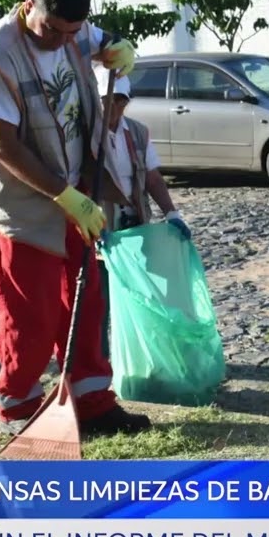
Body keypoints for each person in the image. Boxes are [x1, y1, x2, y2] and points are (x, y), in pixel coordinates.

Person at [0, 0, 152, 438]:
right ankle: (20, 407)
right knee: (33, 309)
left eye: (71, 33)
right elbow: (2, 146)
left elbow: (109, 46)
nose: (60, 41)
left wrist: (122, 61)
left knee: (87, 298)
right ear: (30, 7)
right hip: (20, 205)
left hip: (77, 193)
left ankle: (91, 402)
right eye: (51, 30)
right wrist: (63, 195)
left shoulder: (74, 30)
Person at [92, 64, 192, 359]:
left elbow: (152, 177)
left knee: (146, 291)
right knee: (100, 301)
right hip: (99, 226)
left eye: (120, 100)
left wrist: (171, 213)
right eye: (107, 100)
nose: (114, 106)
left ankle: (148, 352)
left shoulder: (136, 132)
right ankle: (100, 362)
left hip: (135, 224)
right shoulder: (85, 135)